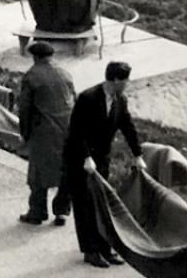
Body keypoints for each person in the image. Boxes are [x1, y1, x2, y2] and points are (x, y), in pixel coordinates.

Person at [63, 61, 147, 269]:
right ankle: (90, 251)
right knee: (85, 205)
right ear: (116, 80)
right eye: (125, 80)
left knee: (101, 203)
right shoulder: (88, 98)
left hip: (101, 158)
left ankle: (105, 248)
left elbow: (128, 127)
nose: (127, 83)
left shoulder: (120, 100)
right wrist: (85, 157)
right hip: (79, 159)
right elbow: (77, 131)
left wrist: (137, 155)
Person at [16, 41, 76, 226]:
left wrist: (24, 133)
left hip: (44, 131)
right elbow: (73, 100)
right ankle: (62, 212)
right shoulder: (65, 73)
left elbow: (25, 109)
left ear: (35, 57)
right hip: (67, 130)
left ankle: (37, 212)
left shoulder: (32, 76)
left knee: (38, 173)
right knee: (65, 172)